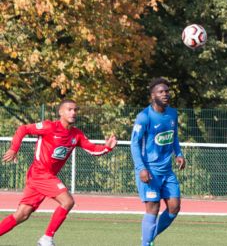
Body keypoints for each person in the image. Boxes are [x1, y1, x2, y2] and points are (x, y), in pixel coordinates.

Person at [0, 99, 117, 246]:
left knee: (22, 214)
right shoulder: (49, 127)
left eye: (75, 110)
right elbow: (23, 129)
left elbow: (92, 149)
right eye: (69, 109)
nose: (73, 112)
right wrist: (13, 148)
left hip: (44, 177)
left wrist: (107, 148)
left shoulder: (76, 134)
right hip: (39, 173)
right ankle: (46, 239)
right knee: (68, 201)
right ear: (60, 112)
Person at [130, 78, 185, 246]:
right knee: (153, 207)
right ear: (152, 95)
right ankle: (146, 243)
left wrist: (179, 153)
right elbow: (134, 143)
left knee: (174, 207)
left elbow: (174, 135)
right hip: (150, 170)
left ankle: (149, 236)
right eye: (160, 92)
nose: (165, 94)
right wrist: (141, 168)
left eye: (167, 91)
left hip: (167, 171)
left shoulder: (172, 113)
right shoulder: (144, 117)